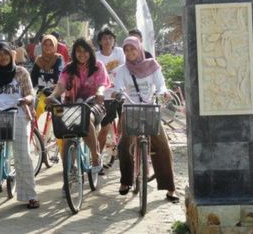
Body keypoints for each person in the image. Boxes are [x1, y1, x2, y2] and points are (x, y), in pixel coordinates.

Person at [113, 36, 179, 203]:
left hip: (150, 110)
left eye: (133, 49)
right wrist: (118, 92)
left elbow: (161, 84)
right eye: (126, 50)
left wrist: (163, 92)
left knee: (163, 146)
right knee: (124, 145)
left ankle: (170, 187)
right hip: (131, 110)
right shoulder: (122, 70)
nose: (130, 53)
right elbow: (119, 86)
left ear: (139, 49)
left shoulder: (152, 65)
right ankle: (125, 181)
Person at [0, 42, 40, 209]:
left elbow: (30, 93)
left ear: (11, 55)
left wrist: (27, 99)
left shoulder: (21, 72)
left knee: (22, 155)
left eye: (5, 53)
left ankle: (30, 195)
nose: (3, 57)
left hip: (18, 114)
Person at [46, 37, 109, 174]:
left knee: (85, 118)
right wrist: (52, 96)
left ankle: (95, 156)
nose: (82, 54)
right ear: (74, 53)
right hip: (71, 106)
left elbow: (102, 85)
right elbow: (61, 85)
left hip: (93, 105)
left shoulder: (98, 66)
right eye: (78, 51)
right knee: (67, 138)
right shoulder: (68, 68)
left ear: (90, 52)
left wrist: (99, 92)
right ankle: (68, 173)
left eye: (85, 51)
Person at [95, 28, 126, 164]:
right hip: (106, 96)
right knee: (104, 129)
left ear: (114, 41)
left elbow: (125, 69)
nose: (107, 41)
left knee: (125, 124)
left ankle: (120, 146)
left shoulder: (119, 52)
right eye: (104, 38)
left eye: (110, 38)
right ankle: (96, 159)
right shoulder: (97, 57)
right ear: (100, 42)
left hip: (122, 93)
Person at [30, 34, 64, 118]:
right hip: (42, 93)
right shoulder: (39, 60)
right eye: (45, 44)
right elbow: (32, 78)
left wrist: (53, 90)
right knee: (34, 116)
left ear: (55, 46)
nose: (47, 47)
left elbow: (58, 73)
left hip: (55, 94)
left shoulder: (58, 58)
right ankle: (34, 130)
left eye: (51, 45)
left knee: (59, 119)